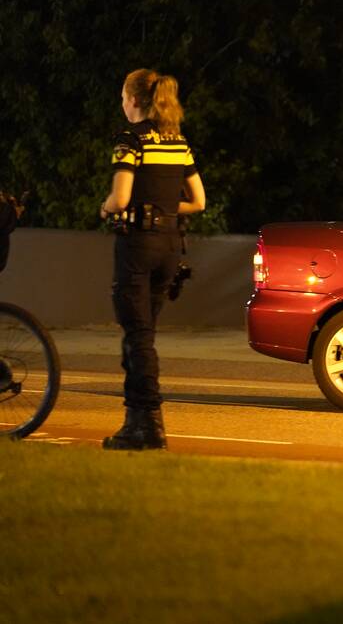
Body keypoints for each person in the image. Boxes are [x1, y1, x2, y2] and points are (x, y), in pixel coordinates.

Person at [100, 68, 205, 450]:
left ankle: (147, 425)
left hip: (138, 245)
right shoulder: (178, 142)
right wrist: (162, 208)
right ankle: (137, 422)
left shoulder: (129, 140)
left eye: (123, 97)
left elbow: (121, 198)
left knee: (138, 337)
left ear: (134, 101)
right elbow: (198, 201)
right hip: (170, 245)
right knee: (143, 335)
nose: (121, 103)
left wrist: (104, 207)